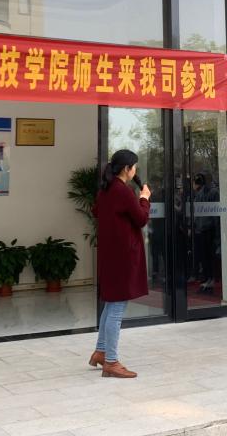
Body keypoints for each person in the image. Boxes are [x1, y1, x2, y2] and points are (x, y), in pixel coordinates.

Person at [90, 149, 151, 379]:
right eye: (134, 166)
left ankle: (101, 351)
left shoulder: (106, 190)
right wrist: (144, 198)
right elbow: (141, 218)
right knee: (116, 309)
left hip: (110, 255)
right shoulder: (122, 191)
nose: (135, 170)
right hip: (123, 256)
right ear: (127, 169)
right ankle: (111, 362)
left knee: (111, 304)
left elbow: (97, 211)